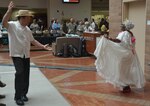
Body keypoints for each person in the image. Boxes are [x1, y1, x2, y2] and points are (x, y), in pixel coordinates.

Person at [2, 1, 51, 105]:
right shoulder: (12, 26)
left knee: (25, 75)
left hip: (26, 55)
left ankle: (24, 94)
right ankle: (17, 96)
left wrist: (43, 46)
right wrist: (9, 10)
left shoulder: (27, 29)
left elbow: (33, 41)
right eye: (28, 18)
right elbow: (4, 22)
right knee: (19, 73)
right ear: (23, 18)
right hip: (16, 54)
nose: (30, 20)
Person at [94, 20, 145, 93]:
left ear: (125, 27)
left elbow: (119, 41)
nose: (120, 27)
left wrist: (110, 39)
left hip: (124, 54)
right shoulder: (131, 33)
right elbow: (130, 44)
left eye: (122, 26)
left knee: (121, 70)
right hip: (129, 54)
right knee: (126, 70)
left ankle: (125, 85)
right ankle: (126, 85)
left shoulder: (124, 33)